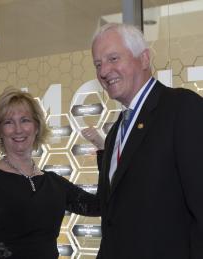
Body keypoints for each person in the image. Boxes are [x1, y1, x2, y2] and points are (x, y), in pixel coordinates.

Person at [83, 22, 203, 259]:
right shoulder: (117, 130)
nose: (104, 72)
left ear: (145, 59)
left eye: (113, 58)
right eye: (98, 64)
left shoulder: (181, 108)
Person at [0, 88, 100, 259]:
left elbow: (99, 206)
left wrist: (103, 150)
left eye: (25, 120)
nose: (18, 130)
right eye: (8, 122)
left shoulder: (55, 183)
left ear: (36, 127)